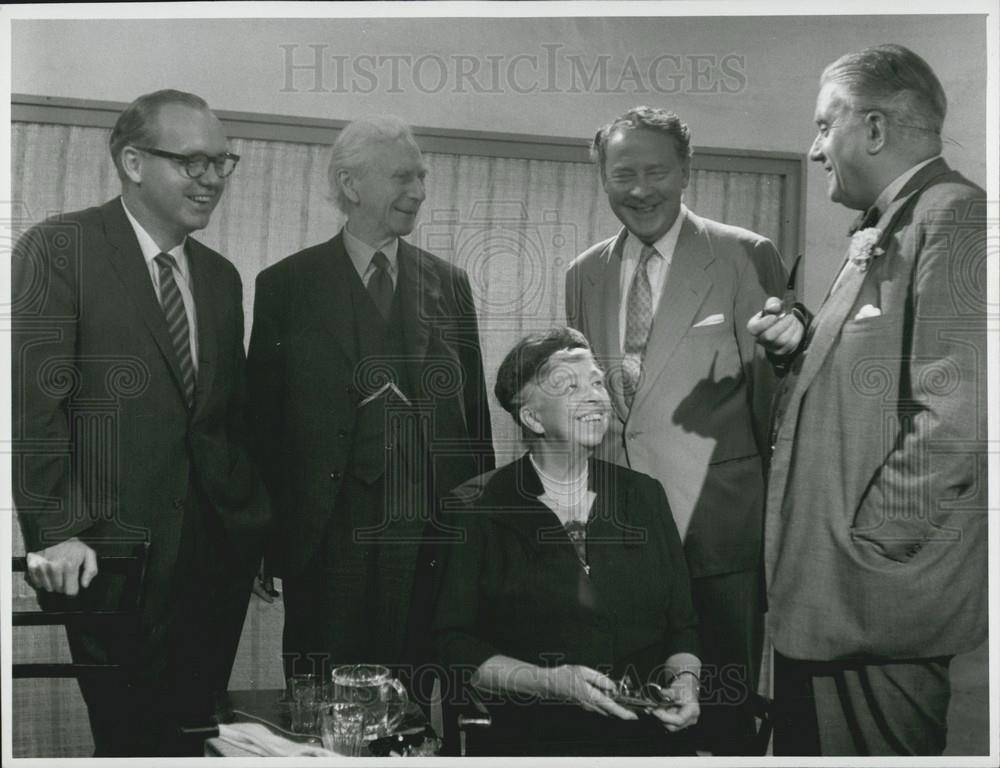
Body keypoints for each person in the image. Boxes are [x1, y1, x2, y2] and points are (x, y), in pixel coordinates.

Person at [11, 89, 270, 756]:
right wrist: (57, 533)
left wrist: (256, 525)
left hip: (217, 558)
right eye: (193, 162)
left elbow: (229, 418)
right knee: (130, 742)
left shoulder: (220, 277)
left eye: (222, 162)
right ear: (132, 161)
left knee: (193, 737)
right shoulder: (59, 247)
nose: (212, 179)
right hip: (109, 556)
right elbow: (38, 410)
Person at [748, 44, 987, 755]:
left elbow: (957, 415)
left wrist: (874, 543)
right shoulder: (891, 223)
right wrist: (802, 349)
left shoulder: (952, 217)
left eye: (825, 126)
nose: (815, 149)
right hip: (836, 596)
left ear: (875, 130)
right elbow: (875, 380)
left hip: (872, 597)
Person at [565, 105, 786, 753]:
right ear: (602, 178)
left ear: (687, 171)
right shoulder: (586, 273)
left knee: (721, 721)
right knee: (625, 721)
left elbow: (775, 411)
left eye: (656, 171)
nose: (640, 190)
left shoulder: (744, 255)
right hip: (618, 541)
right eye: (622, 174)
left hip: (718, 541)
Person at [247, 116, 495, 683]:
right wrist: (261, 538)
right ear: (351, 185)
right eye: (403, 177)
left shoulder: (450, 283)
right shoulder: (285, 286)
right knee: (323, 699)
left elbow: (474, 417)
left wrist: (483, 531)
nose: (419, 192)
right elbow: (262, 424)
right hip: (326, 535)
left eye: (422, 177)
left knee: (417, 693)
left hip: (431, 531)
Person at [432, 327, 701, 756]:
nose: (595, 396)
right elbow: (452, 646)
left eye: (596, 381)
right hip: (537, 739)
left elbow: (682, 630)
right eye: (569, 386)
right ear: (532, 418)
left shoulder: (645, 495)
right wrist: (549, 683)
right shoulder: (473, 508)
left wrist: (686, 683)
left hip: (647, 740)